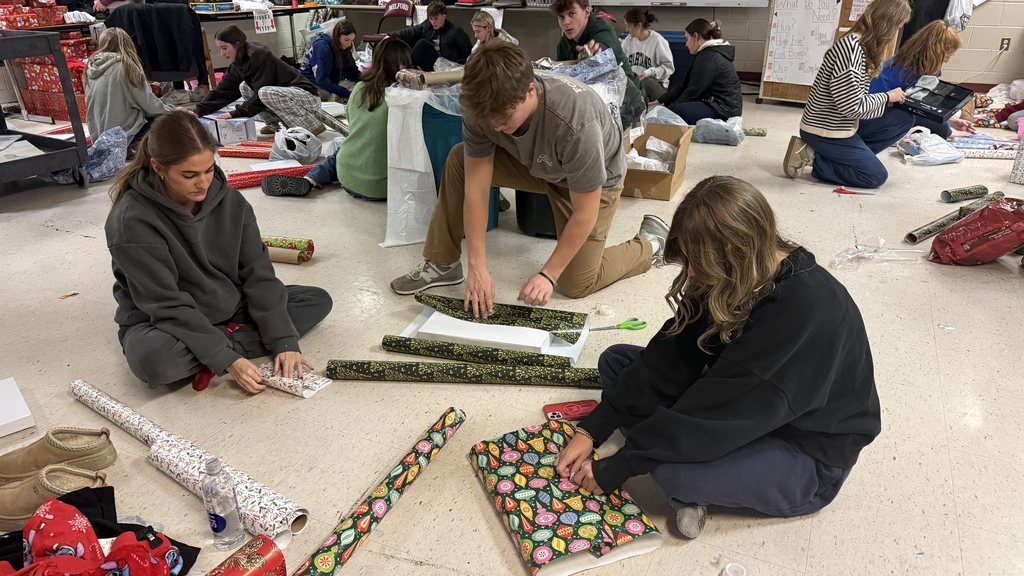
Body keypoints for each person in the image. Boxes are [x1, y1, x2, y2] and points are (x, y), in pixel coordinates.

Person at [555, 175, 880, 539]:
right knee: (617, 361)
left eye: (697, 263)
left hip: (807, 452)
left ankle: (682, 473)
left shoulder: (803, 313)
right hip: (749, 403)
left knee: (674, 469)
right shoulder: (739, 272)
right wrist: (593, 429)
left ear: (735, 254)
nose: (691, 273)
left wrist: (623, 463)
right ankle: (668, 445)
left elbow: (724, 412)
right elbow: (673, 353)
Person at [390, 42, 667, 312]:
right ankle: (444, 262)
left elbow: (586, 211)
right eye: (489, 122)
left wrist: (547, 275)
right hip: (536, 164)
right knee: (459, 159)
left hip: (592, 182)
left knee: (575, 282)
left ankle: (651, 244)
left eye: (504, 118)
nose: (496, 127)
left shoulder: (576, 122)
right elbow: (476, 187)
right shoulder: (482, 107)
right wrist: (477, 264)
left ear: (530, 91)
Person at [104, 111, 333, 393]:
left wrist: (285, 341)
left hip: (229, 304)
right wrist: (228, 359)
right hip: (162, 321)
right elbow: (165, 305)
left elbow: (258, 274)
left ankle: (212, 347)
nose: (203, 183)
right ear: (158, 167)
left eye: (209, 170)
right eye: (189, 175)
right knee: (154, 362)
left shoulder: (231, 201)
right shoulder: (131, 221)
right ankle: (224, 342)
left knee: (316, 300)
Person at [784, 0, 913, 189]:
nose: (897, 31)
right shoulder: (851, 49)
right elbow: (851, 107)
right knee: (875, 176)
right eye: (898, 26)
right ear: (887, 23)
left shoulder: (861, 46)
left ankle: (848, 157)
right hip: (824, 130)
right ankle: (814, 157)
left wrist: (886, 101)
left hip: (842, 124)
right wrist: (886, 97)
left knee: (903, 118)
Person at [262, 39, 414, 200]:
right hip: (379, 188)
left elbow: (352, 122)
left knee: (348, 147)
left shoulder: (359, 88)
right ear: (401, 65)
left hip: (346, 176)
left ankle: (310, 179)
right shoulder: (401, 97)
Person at [195, 26, 325, 136]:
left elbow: (260, 94)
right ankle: (279, 126)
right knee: (244, 87)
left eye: (224, 48)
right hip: (287, 97)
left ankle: (311, 126)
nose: (222, 53)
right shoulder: (238, 64)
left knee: (264, 92)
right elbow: (223, 91)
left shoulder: (259, 55)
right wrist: (198, 111)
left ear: (237, 44)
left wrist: (235, 113)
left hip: (307, 97)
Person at [869, 21, 974, 139]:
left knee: (954, 114)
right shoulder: (914, 69)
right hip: (876, 113)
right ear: (937, 53)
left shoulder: (904, 59)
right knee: (919, 117)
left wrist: (951, 120)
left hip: (877, 107)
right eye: (946, 57)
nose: (946, 61)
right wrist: (948, 131)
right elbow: (920, 108)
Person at [553, 0, 645, 124]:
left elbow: (604, 49)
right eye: (561, 17)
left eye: (572, 14)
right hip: (591, 107)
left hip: (629, 104)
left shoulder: (603, 31)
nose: (566, 22)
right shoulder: (564, 44)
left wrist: (594, 56)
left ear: (586, 12)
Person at [85, 28, 176, 147]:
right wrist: (177, 110)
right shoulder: (127, 67)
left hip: (99, 140)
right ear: (127, 43)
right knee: (169, 119)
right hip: (127, 139)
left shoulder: (90, 68)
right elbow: (151, 107)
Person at [656, 19, 741, 124]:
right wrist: (660, 101)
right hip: (719, 105)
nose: (686, 44)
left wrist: (668, 111)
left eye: (687, 39)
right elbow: (685, 85)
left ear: (695, 36)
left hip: (724, 110)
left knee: (680, 110)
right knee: (676, 108)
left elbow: (692, 92)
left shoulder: (708, 58)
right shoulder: (707, 54)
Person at [390, 0, 472, 72]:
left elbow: (468, 50)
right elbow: (412, 31)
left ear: (444, 16)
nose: (433, 22)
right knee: (408, 41)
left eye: (436, 19)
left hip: (448, 66)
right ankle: (402, 70)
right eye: (431, 19)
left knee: (422, 44)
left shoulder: (455, 31)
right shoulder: (427, 25)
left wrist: (458, 66)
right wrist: (389, 35)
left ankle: (406, 68)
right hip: (431, 64)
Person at [299, 20, 362, 102]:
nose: (349, 44)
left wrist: (368, 80)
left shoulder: (344, 47)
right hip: (311, 85)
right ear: (337, 36)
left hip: (330, 80)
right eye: (346, 40)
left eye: (351, 40)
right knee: (350, 93)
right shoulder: (322, 47)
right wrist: (344, 93)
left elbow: (351, 71)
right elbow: (321, 80)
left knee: (359, 87)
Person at [620, 7, 674, 101]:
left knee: (645, 83)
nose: (626, 29)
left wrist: (649, 73)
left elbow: (669, 68)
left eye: (628, 26)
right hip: (636, 84)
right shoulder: (628, 41)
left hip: (657, 86)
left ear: (639, 26)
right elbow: (620, 59)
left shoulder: (658, 41)